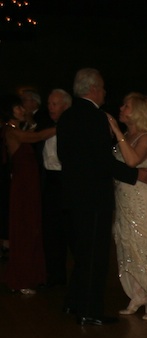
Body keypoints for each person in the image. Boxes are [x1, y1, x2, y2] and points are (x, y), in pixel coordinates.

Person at [56, 68, 147, 325]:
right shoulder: (96, 117)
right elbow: (102, 161)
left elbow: (66, 157)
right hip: (93, 197)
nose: (105, 93)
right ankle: (90, 311)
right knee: (95, 257)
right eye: (102, 88)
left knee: (81, 254)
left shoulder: (66, 117)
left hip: (72, 195)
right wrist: (135, 176)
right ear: (93, 89)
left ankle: (73, 303)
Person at [108, 93, 147, 319]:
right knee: (125, 243)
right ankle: (137, 293)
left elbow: (132, 161)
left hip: (141, 198)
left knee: (142, 245)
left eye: (127, 106)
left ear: (139, 111)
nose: (121, 108)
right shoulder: (126, 135)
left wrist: (114, 130)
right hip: (123, 196)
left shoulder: (146, 138)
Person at [1, 94, 56, 294]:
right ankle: (22, 278)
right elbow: (37, 137)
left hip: (28, 184)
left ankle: (28, 276)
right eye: (18, 108)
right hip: (23, 186)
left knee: (30, 226)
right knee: (24, 227)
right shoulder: (11, 131)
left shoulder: (17, 128)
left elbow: (33, 130)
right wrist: (62, 127)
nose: (22, 110)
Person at [41, 89, 71, 287]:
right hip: (49, 181)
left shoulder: (72, 128)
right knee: (51, 231)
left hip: (65, 180)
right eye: (49, 103)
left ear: (65, 106)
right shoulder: (46, 126)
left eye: (55, 104)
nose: (50, 107)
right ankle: (55, 276)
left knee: (67, 230)